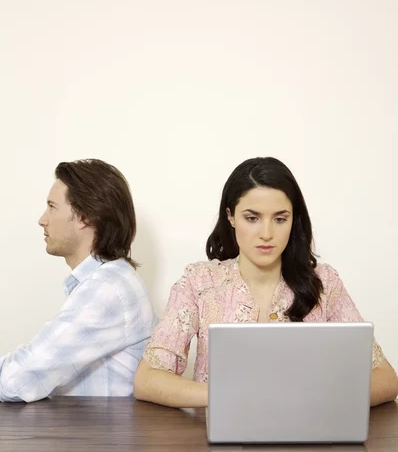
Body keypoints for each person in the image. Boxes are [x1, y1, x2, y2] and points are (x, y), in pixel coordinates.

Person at [134, 157, 398, 408]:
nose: (267, 234)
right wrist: (232, 397)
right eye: (252, 218)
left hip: (307, 438)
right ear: (231, 216)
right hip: (220, 440)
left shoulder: (324, 283)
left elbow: (386, 379)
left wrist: (314, 400)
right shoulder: (199, 283)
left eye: (280, 219)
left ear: (294, 220)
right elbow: (148, 379)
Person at [0, 159, 157, 402]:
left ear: (85, 217)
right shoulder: (109, 280)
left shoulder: (106, 289)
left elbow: (18, 380)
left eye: (52, 207)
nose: (42, 219)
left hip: (99, 438)